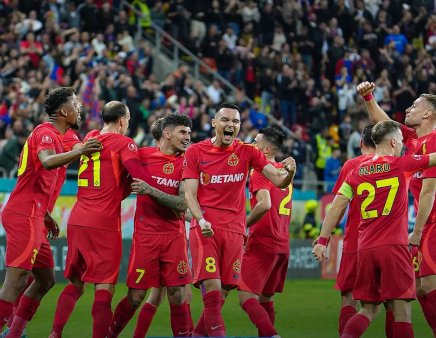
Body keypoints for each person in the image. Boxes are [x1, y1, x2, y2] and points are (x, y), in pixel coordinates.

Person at [313, 120, 436, 338]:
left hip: (365, 249)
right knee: (402, 311)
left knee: (368, 309)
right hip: (394, 248)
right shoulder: (402, 165)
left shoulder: (355, 171)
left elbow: (336, 207)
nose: (402, 146)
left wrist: (322, 241)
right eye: (400, 142)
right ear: (392, 142)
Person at [183, 103, 296, 337]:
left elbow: (278, 180)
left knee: (223, 293)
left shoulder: (247, 151)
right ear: (214, 123)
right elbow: (189, 194)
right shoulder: (195, 152)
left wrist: (290, 172)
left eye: (235, 121)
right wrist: (200, 219)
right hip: (206, 230)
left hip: (234, 233)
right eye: (225, 120)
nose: (230, 125)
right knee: (213, 296)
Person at [0, 87, 101, 338]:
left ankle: (14, 332)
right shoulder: (45, 132)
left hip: (36, 214)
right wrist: (80, 151)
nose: (80, 109)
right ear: (64, 111)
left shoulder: (63, 137)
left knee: (45, 280)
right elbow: (46, 161)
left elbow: (87, 147)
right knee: (17, 279)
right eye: (76, 105)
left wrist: (46, 214)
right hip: (23, 213)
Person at [49, 101, 145, 338]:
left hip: (78, 217)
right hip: (103, 222)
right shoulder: (125, 143)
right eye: (129, 120)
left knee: (75, 284)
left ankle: (55, 333)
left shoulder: (91, 136)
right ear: (122, 120)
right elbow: (140, 175)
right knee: (104, 289)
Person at [357, 81, 436, 333]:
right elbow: (386, 125)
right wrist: (368, 97)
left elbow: (429, 190)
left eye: (415, 106)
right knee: (422, 287)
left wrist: (418, 231)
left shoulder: (434, 141)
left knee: (427, 285)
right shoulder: (413, 139)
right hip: (428, 223)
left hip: (431, 225)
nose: (409, 109)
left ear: (427, 113)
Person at [107, 113, 193, 338]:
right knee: (136, 297)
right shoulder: (141, 156)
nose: (187, 137)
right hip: (145, 237)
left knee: (177, 294)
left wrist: (150, 190)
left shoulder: (187, 162)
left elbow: (183, 203)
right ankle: (110, 334)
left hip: (173, 237)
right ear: (167, 133)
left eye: (189, 133)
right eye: (182, 132)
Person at [238, 127, 293, 337]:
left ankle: (271, 335)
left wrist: (243, 225)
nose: (251, 145)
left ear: (266, 149)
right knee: (266, 299)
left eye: (255, 142)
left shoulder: (261, 169)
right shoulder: (282, 171)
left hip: (263, 241)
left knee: (245, 297)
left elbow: (264, 205)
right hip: (282, 245)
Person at [329, 125, 376, 336]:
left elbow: (338, 205)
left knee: (348, 296)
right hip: (388, 241)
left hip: (355, 240)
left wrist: (325, 235)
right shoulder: (395, 164)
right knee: (395, 303)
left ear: (361, 143)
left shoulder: (351, 165)